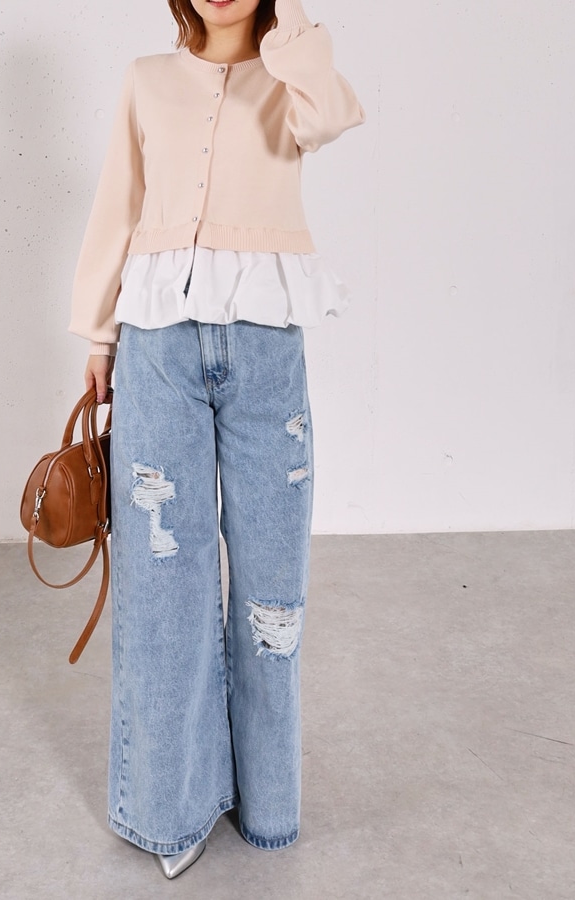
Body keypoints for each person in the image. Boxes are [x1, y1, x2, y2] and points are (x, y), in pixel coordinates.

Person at [69, 0, 364, 880]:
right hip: (158, 348)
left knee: (274, 584)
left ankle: (267, 804)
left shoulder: (294, 75)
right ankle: (173, 810)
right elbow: (117, 206)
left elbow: (333, 116)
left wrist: (290, 25)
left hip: (267, 350)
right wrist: (99, 340)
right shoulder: (146, 80)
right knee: (168, 585)